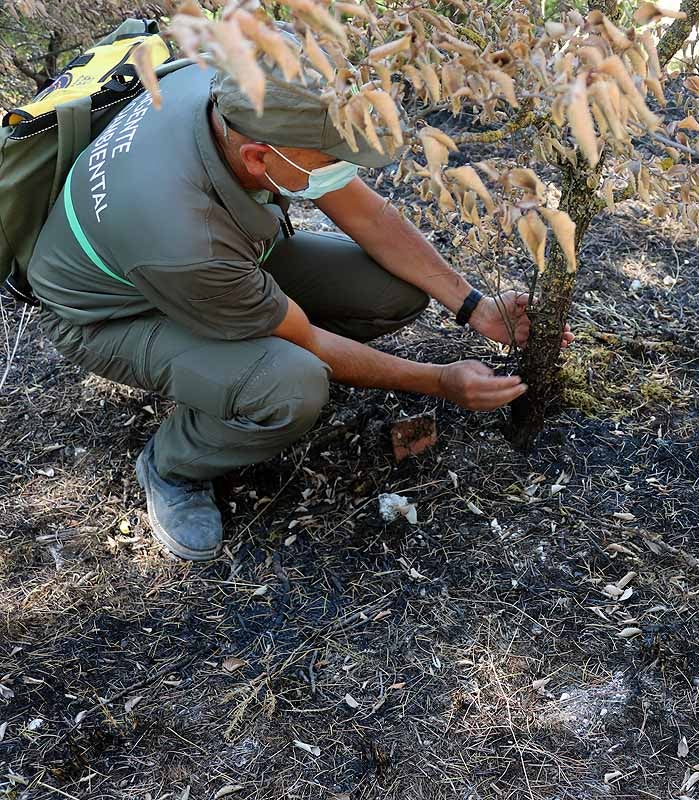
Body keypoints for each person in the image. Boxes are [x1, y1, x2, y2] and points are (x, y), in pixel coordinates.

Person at [25, 55, 571, 562]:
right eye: (333, 161)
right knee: (294, 386)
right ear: (259, 158)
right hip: (112, 315)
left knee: (396, 292)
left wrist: (474, 306)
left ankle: (236, 358)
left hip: (213, 263)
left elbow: (371, 218)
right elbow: (304, 339)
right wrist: (439, 382)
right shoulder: (188, 241)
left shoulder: (242, 90)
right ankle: (174, 465)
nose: (344, 171)